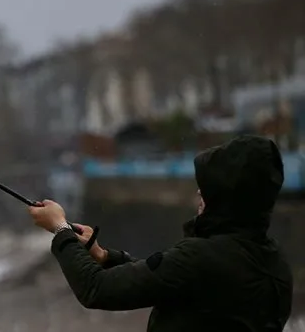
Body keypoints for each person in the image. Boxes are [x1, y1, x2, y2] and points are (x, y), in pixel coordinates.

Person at [29, 135, 293, 331]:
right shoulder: (275, 265)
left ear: (228, 196)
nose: (199, 192)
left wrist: (60, 228)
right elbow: (172, 282)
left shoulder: (199, 258)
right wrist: (104, 256)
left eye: (208, 187)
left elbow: (97, 289)